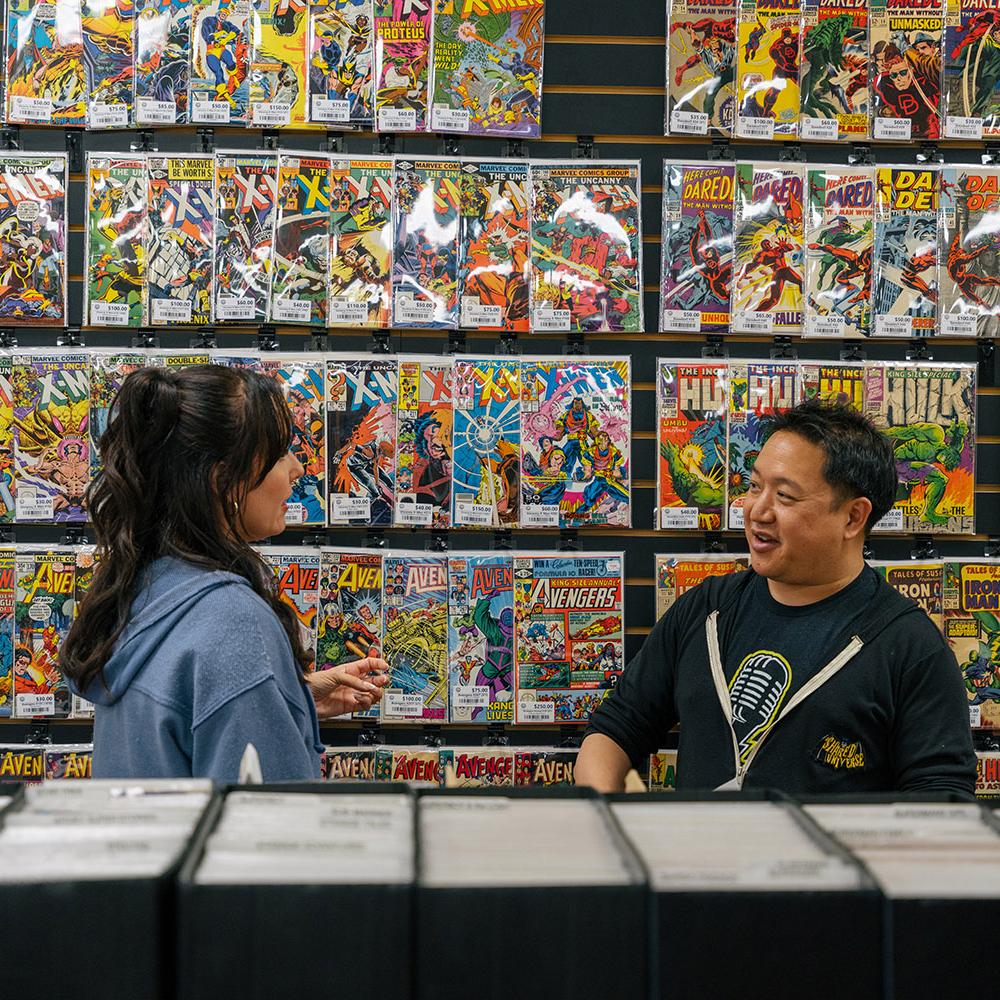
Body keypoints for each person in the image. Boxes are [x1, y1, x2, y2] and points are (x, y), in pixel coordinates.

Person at [576, 399, 976, 795]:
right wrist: (604, 809)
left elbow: (941, 797)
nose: (756, 511)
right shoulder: (705, 609)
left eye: (784, 496)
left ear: (853, 517)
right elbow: (616, 728)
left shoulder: (909, 646)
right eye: (754, 486)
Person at [61, 365, 388, 782]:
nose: (298, 468)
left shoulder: (149, 587)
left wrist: (289, 699)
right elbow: (266, 827)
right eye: (279, 452)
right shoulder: (233, 621)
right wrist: (256, 686)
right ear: (223, 480)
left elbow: (178, 728)